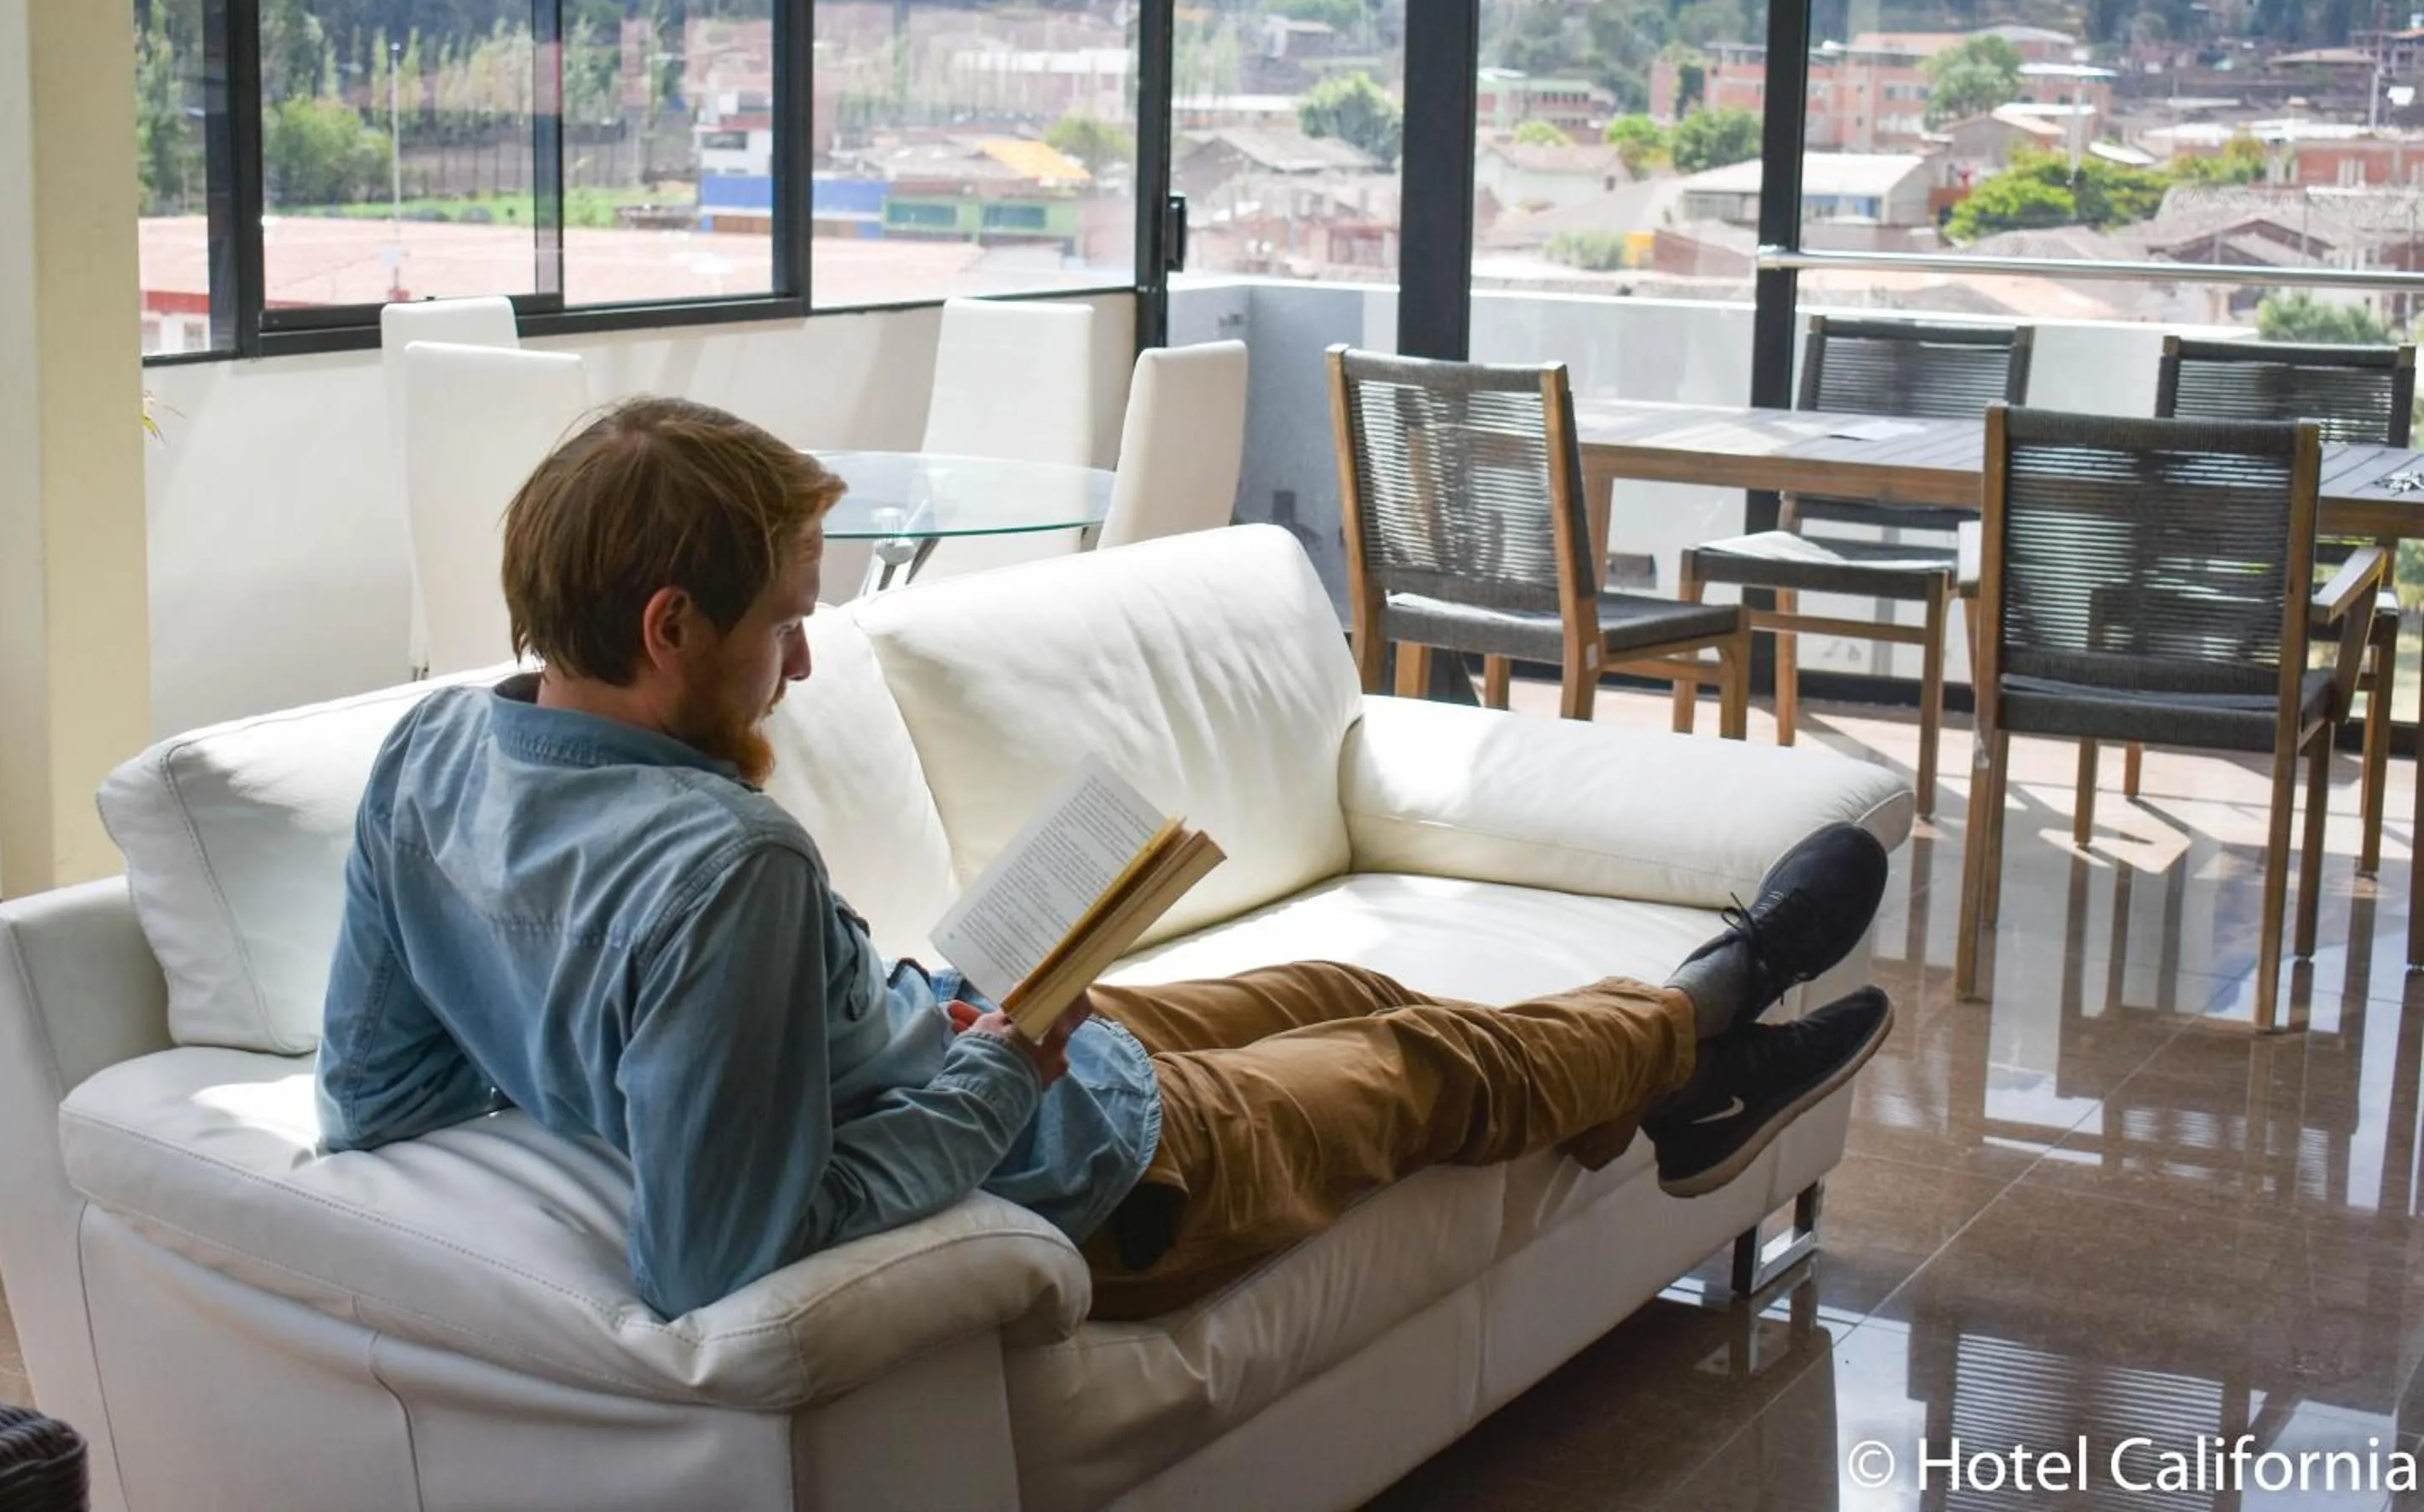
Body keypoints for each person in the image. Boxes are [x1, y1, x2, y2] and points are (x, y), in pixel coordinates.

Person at [315, 396, 1894, 1324]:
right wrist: (1001, 1073)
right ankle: (1723, 997)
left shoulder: (431, 754)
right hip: (1089, 1167)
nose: (799, 664)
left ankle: (1693, 1097)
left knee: (1342, 975)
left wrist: (599, 1055)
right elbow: (730, 1250)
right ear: (670, 629)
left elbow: (377, 1097)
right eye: (785, 619)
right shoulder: (727, 869)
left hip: (969, 1034)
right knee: (1420, 1057)